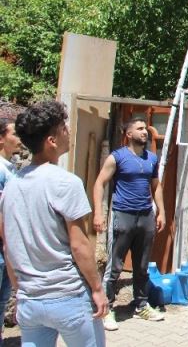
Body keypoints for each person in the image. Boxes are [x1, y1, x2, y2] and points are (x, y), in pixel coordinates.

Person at [0, 101, 108, 346]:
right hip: (68, 296)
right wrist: (97, 288)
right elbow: (80, 246)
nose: (68, 132)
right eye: (64, 128)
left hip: (29, 301)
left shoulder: (12, 185)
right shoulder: (66, 183)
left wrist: (20, 288)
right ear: (52, 140)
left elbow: (8, 245)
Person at [92, 118, 166, 330]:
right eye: (140, 129)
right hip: (122, 215)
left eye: (145, 128)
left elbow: (156, 186)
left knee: (142, 266)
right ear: (128, 134)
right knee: (114, 266)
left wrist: (161, 212)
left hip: (145, 216)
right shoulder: (117, 157)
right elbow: (99, 183)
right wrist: (98, 213)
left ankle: (141, 304)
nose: (145, 132)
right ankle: (106, 309)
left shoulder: (151, 158)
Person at [0, 118, 22, 343]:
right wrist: (8, 243)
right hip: (3, 245)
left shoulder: (11, 167)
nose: (19, 139)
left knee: (2, 299)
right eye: (14, 134)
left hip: (7, 247)